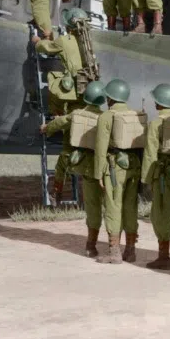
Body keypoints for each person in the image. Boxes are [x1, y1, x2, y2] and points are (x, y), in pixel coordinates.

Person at [40, 81, 107, 256]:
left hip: (82, 165)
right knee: (111, 207)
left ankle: (57, 191)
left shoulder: (77, 114)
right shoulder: (106, 117)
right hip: (104, 168)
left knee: (62, 162)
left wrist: (46, 128)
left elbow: (59, 123)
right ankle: (118, 247)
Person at [35, 8, 89, 203]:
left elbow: (46, 49)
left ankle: (57, 190)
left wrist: (38, 42)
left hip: (72, 95)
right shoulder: (89, 45)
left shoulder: (65, 41)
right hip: (86, 96)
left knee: (67, 148)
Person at [93, 79, 143, 264]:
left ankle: (114, 252)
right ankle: (131, 251)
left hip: (114, 168)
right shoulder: (135, 115)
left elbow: (100, 148)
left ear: (111, 97)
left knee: (113, 207)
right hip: (134, 166)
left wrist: (98, 173)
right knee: (130, 207)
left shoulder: (107, 116)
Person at [140, 83, 170, 270]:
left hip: (162, 175)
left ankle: (163, 258)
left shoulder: (156, 123)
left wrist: (146, 180)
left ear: (158, 103)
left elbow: (151, 153)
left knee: (161, 214)